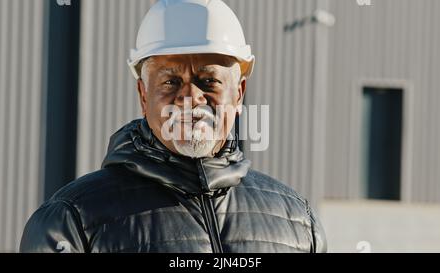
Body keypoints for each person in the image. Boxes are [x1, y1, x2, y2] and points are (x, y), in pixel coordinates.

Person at [20, 0, 327, 253]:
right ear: (143, 95)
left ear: (239, 94)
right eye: (171, 81)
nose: (191, 98)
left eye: (209, 81)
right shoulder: (71, 222)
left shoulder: (297, 222)